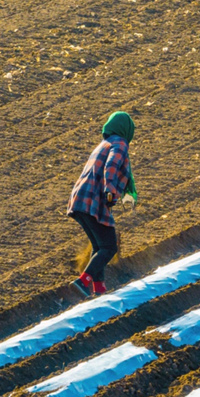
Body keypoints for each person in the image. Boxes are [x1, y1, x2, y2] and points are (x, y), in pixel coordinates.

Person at [67, 111, 138, 297]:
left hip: (79, 199)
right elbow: (111, 166)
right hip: (93, 201)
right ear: (126, 129)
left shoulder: (103, 145)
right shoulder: (120, 144)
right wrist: (110, 190)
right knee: (109, 247)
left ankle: (99, 288)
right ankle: (83, 281)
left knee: (100, 247)